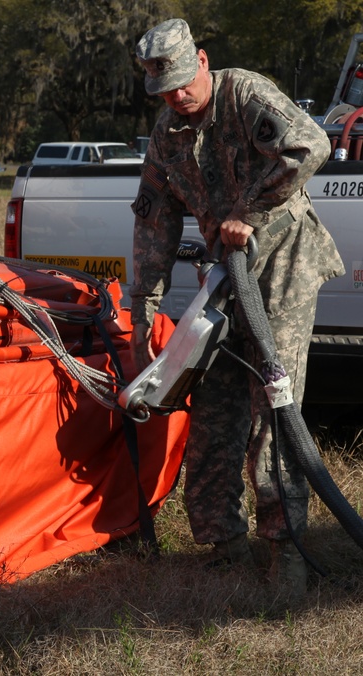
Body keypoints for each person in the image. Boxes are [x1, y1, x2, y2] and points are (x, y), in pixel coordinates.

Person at [130, 18, 344, 601]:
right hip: (226, 275)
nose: (177, 96)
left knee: (274, 407)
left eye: (181, 81)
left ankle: (287, 549)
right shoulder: (167, 133)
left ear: (202, 60)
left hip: (282, 264)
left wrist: (248, 210)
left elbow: (312, 144)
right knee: (216, 407)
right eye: (163, 88)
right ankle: (223, 543)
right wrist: (142, 315)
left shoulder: (246, 94)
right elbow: (153, 227)